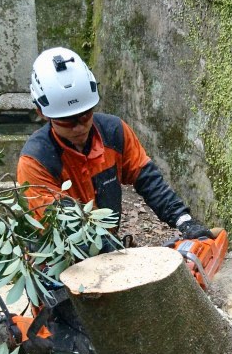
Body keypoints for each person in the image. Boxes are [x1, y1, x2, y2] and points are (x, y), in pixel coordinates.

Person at [17, 46, 215, 242]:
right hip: (60, 252)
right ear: (42, 113)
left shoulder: (114, 132)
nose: (79, 127)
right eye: (67, 121)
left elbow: (148, 180)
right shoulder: (36, 161)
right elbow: (63, 228)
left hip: (107, 242)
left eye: (85, 115)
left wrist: (184, 220)